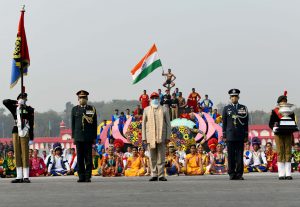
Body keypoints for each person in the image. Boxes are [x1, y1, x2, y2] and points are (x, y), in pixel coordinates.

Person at [3, 93, 34, 183]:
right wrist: (16, 102)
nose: (23, 99)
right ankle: (19, 176)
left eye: (24, 98)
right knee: (17, 153)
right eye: (21, 98)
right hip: (16, 130)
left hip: (25, 131)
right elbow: (5, 102)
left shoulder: (29, 109)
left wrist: (31, 137)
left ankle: (26, 176)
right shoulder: (14, 107)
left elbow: (31, 123)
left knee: (25, 153)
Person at [142, 92, 171, 181]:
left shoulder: (164, 109)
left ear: (159, 99)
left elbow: (168, 124)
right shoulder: (146, 110)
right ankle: (154, 174)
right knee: (152, 157)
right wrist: (144, 137)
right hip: (150, 136)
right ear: (150, 99)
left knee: (161, 156)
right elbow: (143, 124)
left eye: (156, 97)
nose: (154, 99)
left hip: (162, 136)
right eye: (153, 97)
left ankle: (161, 175)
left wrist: (168, 137)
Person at [269, 91, 296, 180]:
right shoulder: (274, 111)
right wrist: (274, 127)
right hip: (279, 134)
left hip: (288, 133)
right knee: (280, 152)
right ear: (279, 103)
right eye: (282, 101)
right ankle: (281, 173)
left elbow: (293, 122)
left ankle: (288, 173)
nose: (284, 103)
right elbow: (271, 123)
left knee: (288, 152)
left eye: (285, 101)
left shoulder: (290, 112)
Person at [222, 89, 249, 180]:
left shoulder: (243, 108)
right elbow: (224, 123)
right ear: (230, 98)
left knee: (239, 155)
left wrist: (246, 135)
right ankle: (231, 173)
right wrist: (224, 135)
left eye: (235, 96)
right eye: (232, 96)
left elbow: (246, 122)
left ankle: (239, 174)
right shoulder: (226, 108)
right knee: (231, 156)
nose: (234, 98)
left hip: (240, 135)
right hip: (230, 135)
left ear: (238, 97)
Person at [71, 90, 97, 182]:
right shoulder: (75, 109)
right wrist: (73, 137)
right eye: (81, 97)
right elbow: (73, 124)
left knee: (88, 158)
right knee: (80, 158)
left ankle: (88, 176)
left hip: (88, 137)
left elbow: (94, 124)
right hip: (78, 137)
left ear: (87, 98)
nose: (82, 99)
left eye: (84, 97)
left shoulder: (91, 109)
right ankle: (81, 176)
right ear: (78, 98)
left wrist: (94, 137)